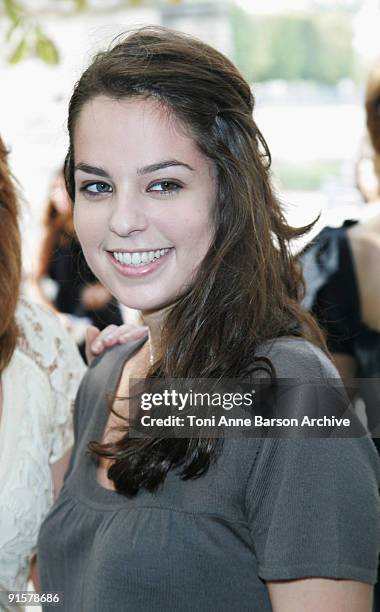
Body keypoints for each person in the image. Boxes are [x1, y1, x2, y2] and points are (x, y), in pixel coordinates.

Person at [37, 27, 380, 611]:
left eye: (163, 184)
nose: (122, 219)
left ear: (230, 190)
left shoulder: (295, 397)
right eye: (97, 186)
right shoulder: (104, 378)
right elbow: (58, 591)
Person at [0, 135, 145, 608]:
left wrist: (128, 366)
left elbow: (56, 574)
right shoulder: (56, 242)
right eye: (94, 187)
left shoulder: (39, 349)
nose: (125, 218)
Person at [31, 168, 124, 361]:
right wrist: (54, 316)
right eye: (55, 188)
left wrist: (105, 290)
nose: (59, 194)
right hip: (68, 323)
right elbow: (34, 282)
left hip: (104, 319)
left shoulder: (102, 227)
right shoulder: (51, 233)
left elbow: (124, 269)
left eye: (64, 188)